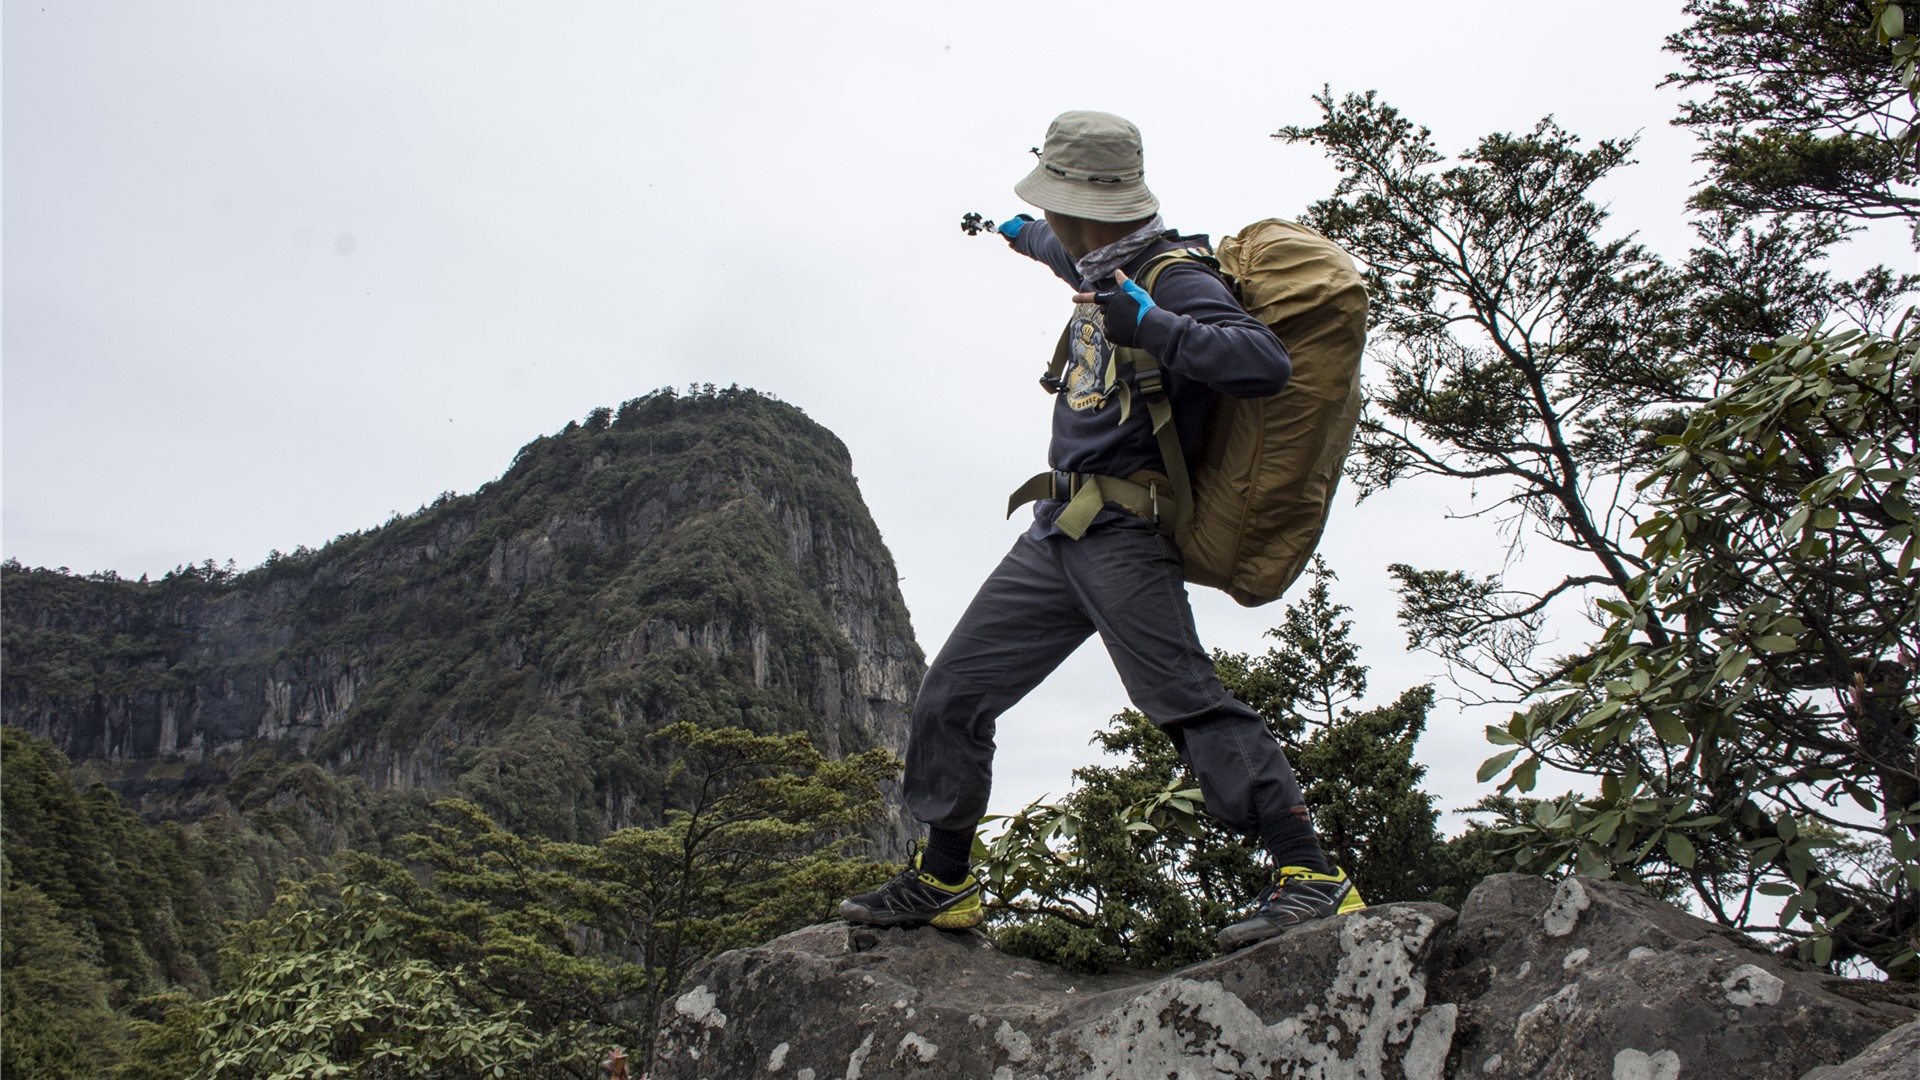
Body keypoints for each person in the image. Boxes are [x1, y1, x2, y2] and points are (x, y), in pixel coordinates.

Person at [840, 111, 1363, 951]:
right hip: (1058, 530)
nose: (1044, 220)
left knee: (1185, 700)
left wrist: (1152, 326)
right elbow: (1056, 251)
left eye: (1047, 208)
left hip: (1123, 530)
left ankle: (1312, 875)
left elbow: (1262, 364)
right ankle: (944, 882)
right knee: (952, 695)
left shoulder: (1174, 276)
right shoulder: (1096, 259)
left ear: (1084, 204)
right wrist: (1015, 234)